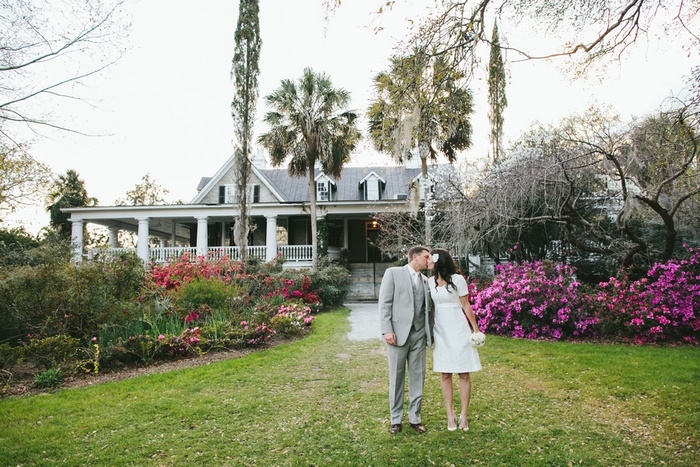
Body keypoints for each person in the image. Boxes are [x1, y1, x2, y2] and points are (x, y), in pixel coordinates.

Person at [378, 246, 434, 435]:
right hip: (397, 335)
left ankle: (415, 418)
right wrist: (387, 330)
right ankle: (396, 419)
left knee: (418, 376)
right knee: (396, 377)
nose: (429, 260)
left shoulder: (426, 281)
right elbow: (384, 303)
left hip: (419, 334)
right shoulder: (393, 273)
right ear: (415, 257)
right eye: (426, 257)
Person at [428, 248, 482, 431]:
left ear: (438, 261)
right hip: (441, 330)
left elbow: (466, 305)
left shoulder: (458, 280)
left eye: (430, 259)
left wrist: (475, 329)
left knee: (464, 373)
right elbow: (431, 308)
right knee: (445, 374)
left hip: (458, 328)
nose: (427, 261)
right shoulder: (429, 282)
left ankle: (464, 415)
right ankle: (449, 414)